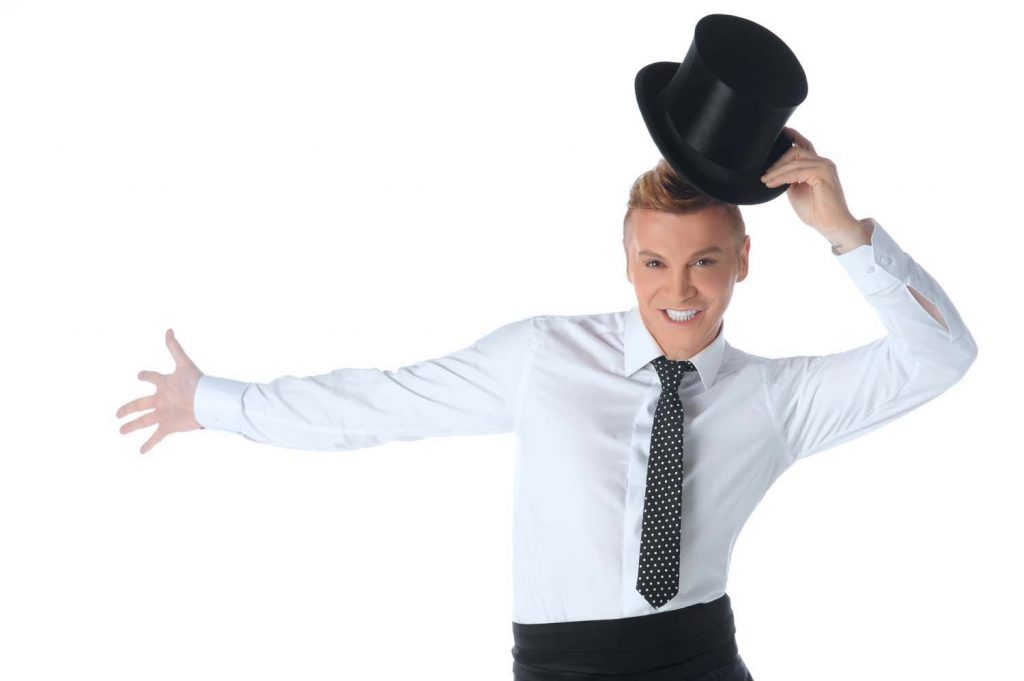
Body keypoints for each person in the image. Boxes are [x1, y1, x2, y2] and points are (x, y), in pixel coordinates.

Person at [115, 128, 978, 680]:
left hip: (700, 660)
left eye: (705, 262)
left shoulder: (777, 400)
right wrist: (216, 402)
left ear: (743, 261)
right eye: (655, 263)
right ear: (627, 259)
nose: (679, 290)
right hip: (561, 666)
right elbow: (381, 403)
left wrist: (846, 234)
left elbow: (941, 356)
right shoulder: (543, 358)